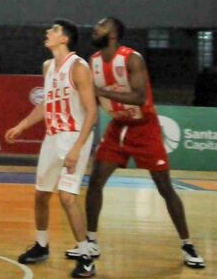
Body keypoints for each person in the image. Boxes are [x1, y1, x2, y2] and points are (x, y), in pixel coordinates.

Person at [80, 18, 206, 269]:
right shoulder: (93, 61)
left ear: (114, 34)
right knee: (95, 180)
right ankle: (91, 240)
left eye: (101, 26)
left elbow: (139, 96)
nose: (95, 29)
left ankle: (187, 244)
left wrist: (101, 92)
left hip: (144, 127)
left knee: (164, 186)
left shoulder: (132, 59)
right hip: (117, 127)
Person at [6, 20, 97, 279]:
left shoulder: (78, 67)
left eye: (54, 30)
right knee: (41, 194)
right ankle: (41, 245)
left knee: (67, 197)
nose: (48, 32)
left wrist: (77, 149)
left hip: (75, 136)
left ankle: (87, 256)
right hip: (52, 136)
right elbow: (47, 104)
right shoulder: (48, 66)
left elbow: (92, 112)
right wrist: (22, 126)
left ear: (65, 38)